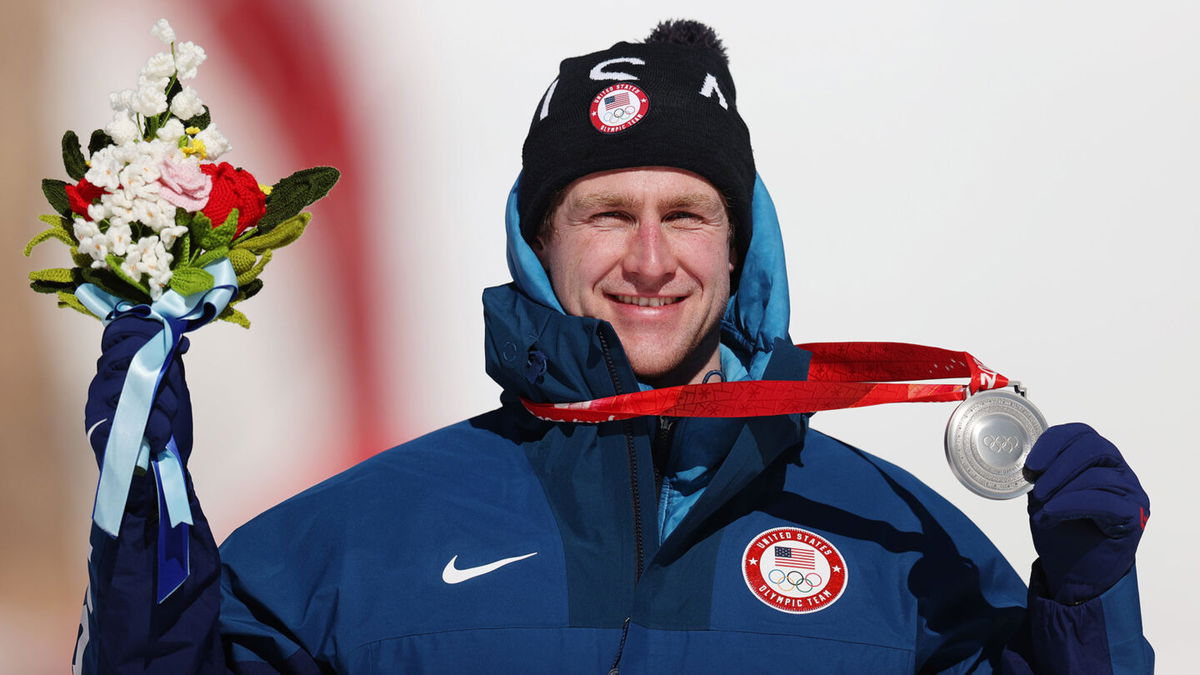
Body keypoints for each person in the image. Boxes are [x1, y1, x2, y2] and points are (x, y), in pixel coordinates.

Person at [74, 20, 1152, 673]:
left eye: (686, 214)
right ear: (541, 245)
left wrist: (1083, 597)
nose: (649, 259)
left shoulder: (898, 544)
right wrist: (142, 515)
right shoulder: (362, 538)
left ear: (739, 252)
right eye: (604, 214)